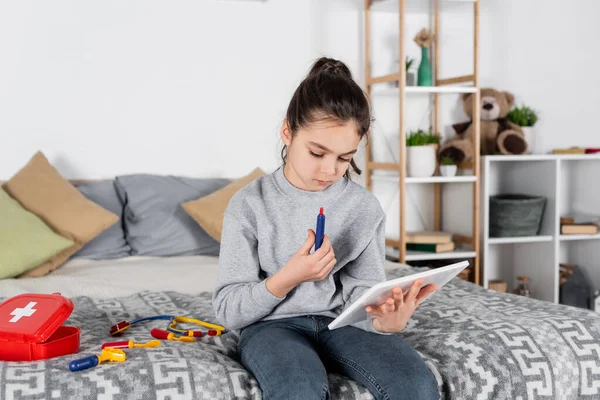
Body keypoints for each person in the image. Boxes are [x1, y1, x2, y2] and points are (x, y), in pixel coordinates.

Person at [212, 57, 439, 400]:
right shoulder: (249, 204)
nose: (330, 169)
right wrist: (287, 277)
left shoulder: (363, 208)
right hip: (271, 328)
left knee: (417, 387)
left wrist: (385, 323)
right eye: (317, 152)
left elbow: (364, 296)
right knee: (299, 390)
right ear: (287, 131)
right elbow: (229, 310)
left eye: (345, 157)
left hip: (343, 324)